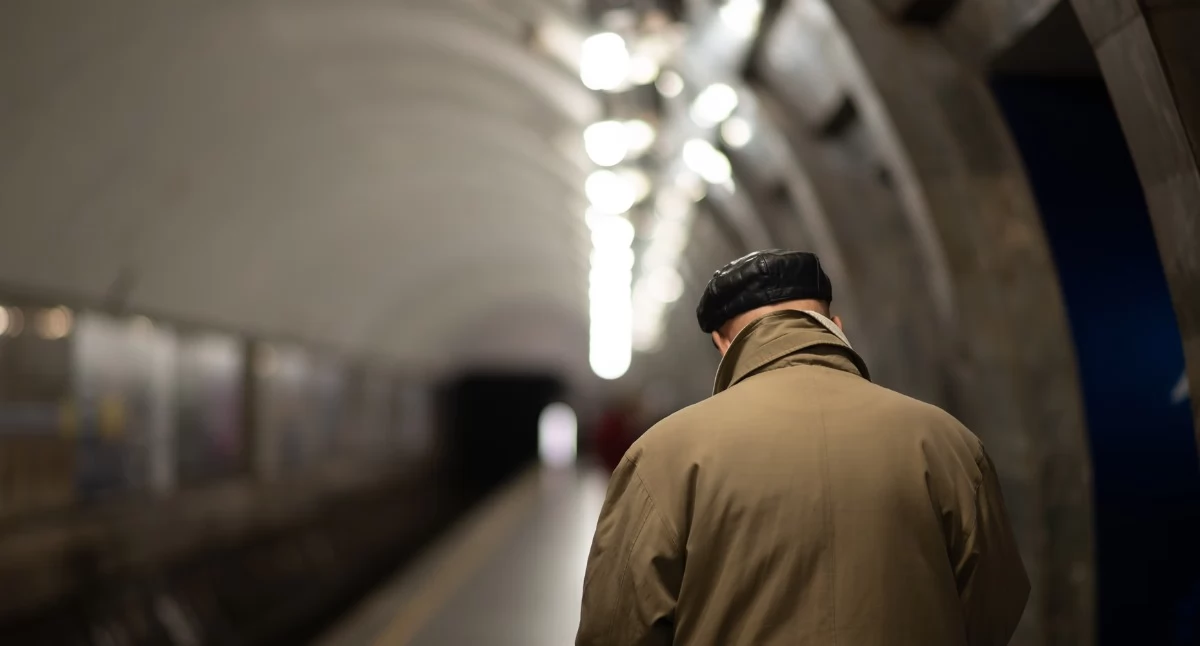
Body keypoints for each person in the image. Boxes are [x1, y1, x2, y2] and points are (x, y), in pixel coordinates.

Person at [576, 250, 1029, 646]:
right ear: (835, 326)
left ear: (722, 343)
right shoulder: (947, 443)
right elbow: (994, 607)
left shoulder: (663, 456)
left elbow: (616, 629)